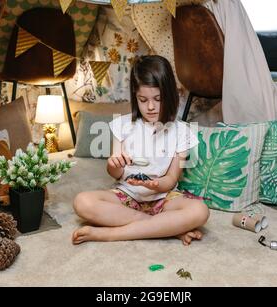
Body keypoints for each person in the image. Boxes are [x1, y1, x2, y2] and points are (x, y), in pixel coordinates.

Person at [72, 55, 210, 245]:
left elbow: (171, 180)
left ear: (169, 95)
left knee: (200, 211)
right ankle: (164, 228)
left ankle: (110, 234)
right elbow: (116, 174)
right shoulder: (122, 126)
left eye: (158, 99)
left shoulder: (182, 132)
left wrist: (155, 185)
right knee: (82, 202)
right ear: (135, 97)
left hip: (164, 198)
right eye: (143, 100)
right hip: (127, 196)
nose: (151, 107)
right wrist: (114, 163)